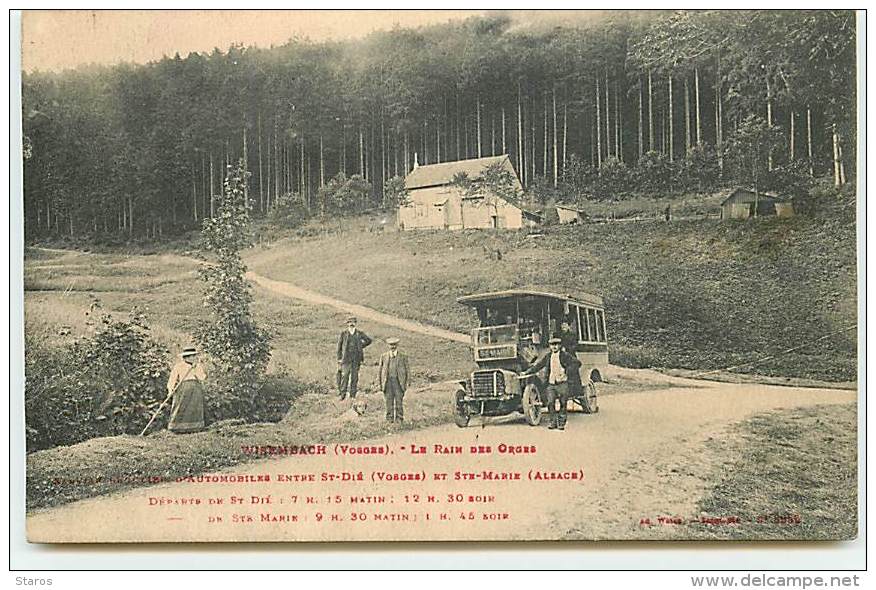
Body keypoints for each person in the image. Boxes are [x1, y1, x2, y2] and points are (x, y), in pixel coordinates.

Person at [520, 337, 581, 431]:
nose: (554, 347)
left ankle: (561, 423)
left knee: (563, 403)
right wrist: (527, 372)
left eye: (556, 345)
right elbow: (538, 366)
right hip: (551, 383)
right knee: (550, 402)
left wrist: (566, 371)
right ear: (550, 346)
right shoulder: (548, 356)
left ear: (560, 346)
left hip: (562, 383)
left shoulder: (565, 355)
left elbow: (577, 363)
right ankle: (552, 422)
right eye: (552, 345)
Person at [166, 345, 207, 434]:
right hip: (183, 389)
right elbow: (172, 379)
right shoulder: (179, 366)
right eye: (192, 356)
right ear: (186, 357)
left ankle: (194, 427)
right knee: (180, 406)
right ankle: (177, 428)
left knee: (194, 407)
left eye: (194, 356)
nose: (194, 358)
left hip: (195, 389)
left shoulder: (197, 366)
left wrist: (195, 369)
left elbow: (202, 378)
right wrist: (170, 390)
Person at [336, 316, 372, 400]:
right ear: (347, 324)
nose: (351, 324)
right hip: (346, 359)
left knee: (354, 377)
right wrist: (339, 358)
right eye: (350, 322)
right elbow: (339, 347)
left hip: (356, 359)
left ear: (355, 323)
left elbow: (369, 340)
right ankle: (342, 394)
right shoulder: (343, 333)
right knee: (345, 376)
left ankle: (352, 395)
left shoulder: (359, 333)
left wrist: (360, 346)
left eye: (353, 322)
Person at [377, 337, 409, 423]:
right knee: (388, 401)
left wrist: (406, 383)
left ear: (397, 345)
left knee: (399, 401)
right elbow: (380, 371)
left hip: (398, 383)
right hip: (387, 383)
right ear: (388, 346)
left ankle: (399, 419)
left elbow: (407, 371)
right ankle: (389, 419)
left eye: (394, 345)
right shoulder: (383, 356)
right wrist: (380, 383)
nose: (393, 347)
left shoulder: (403, 356)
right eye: (391, 345)